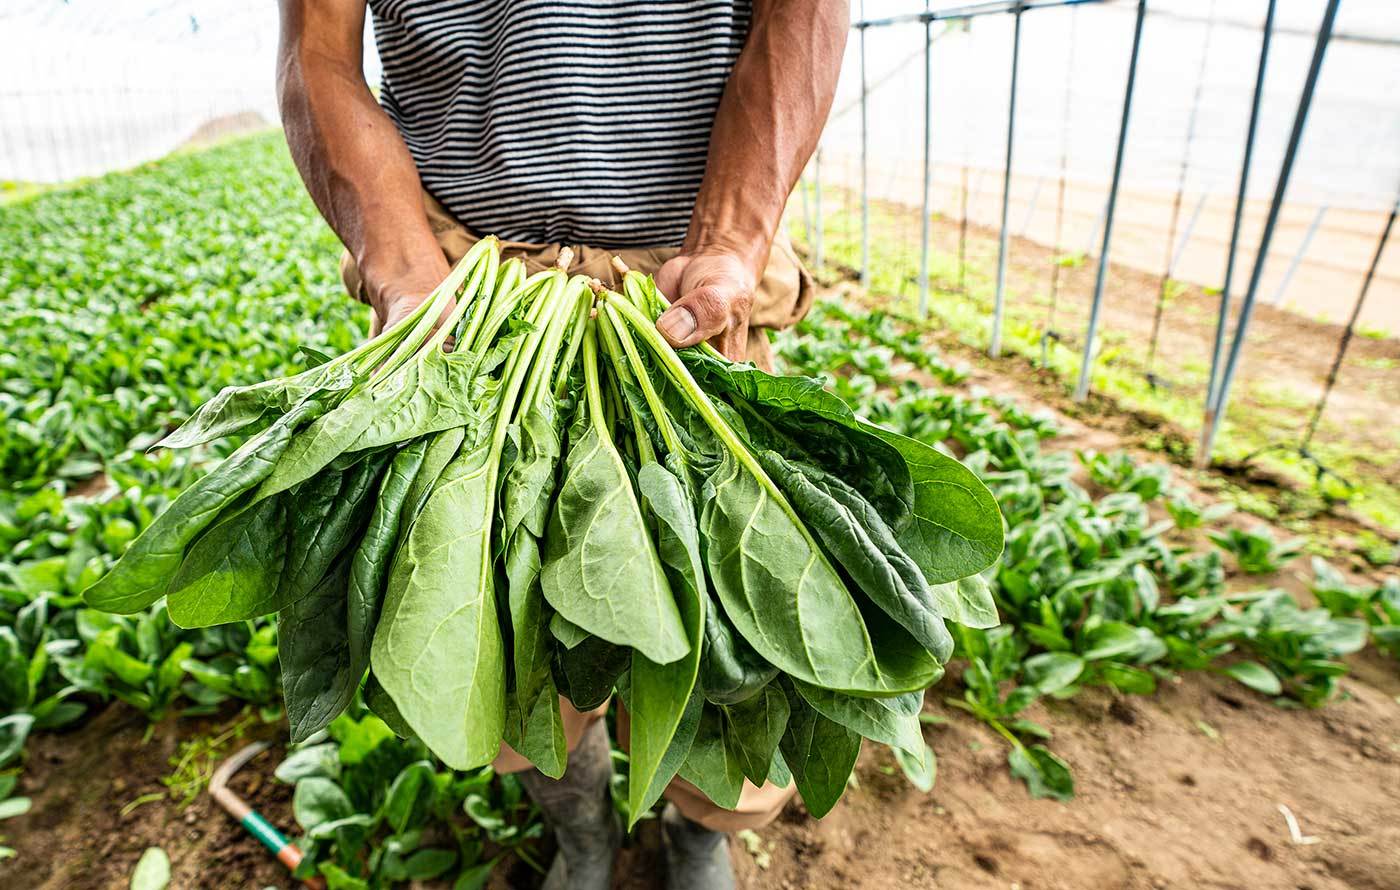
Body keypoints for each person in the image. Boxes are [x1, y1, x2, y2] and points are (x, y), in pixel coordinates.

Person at [275, 2, 848, 887]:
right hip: (474, 300)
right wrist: (398, 262)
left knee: (738, 628)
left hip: (680, 294)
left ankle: (700, 836)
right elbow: (320, 48)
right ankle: (584, 838)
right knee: (504, 644)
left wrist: (733, 240)